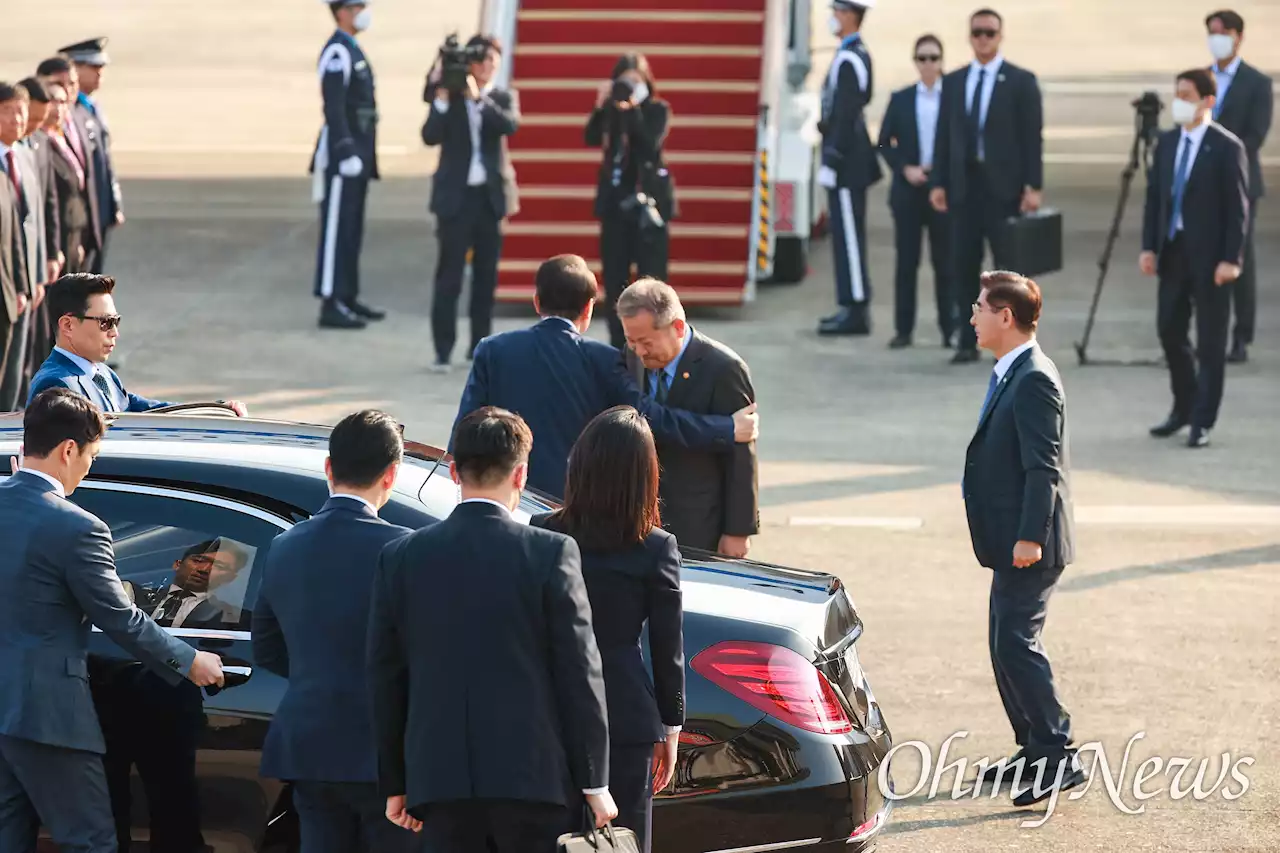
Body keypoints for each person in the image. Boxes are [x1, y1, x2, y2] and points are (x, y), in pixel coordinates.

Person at [368, 407, 616, 852]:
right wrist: (594, 780)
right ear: (520, 475)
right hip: (533, 779)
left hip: (437, 781)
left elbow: (387, 677)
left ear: (453, 470)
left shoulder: (401, 556)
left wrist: (396, 782)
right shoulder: (551, 552)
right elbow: (580, 673)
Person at [0, 387, 224, 853]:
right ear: (67, 450)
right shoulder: (77, 526)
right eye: (90, 455)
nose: (88, 467)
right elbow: (119, 616)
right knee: (91, 841)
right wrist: (189, 660)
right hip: (47, 713)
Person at [452, 253, 758, 499]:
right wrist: (726, 428)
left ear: (536, 301)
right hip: (576, 504)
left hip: (509, 497)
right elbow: (649, 419)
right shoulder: (604, 360)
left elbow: (466, 427)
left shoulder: (493, 350)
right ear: (589, 308)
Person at [253, 410, 421, 853]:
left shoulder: (285, 545)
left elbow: (266, 646)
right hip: (385, 752)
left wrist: (317, 673)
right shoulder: (404, 549)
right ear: (391, 476)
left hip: (310, 747)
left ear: (328, 468)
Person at [531, 407, 684, 853]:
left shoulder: (543, 531)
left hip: (549, 710)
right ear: (645, 476)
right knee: (619, 843)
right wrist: (671, 726)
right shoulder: (656, 547)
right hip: (626, 718)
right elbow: (666, 648)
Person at [961, 272, 1083, 807]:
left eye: (980, 307)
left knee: (1017, 643)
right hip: (1008, 539)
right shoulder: (1012, 370)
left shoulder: (1034, 378)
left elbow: (1043, 468)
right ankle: (1032, 748)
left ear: (1005, 316)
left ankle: (1059, 754)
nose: (972, 316)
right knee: (1001, 642)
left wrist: (1031, 538)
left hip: (1029, 544)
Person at [1140, 69, 1248, 449]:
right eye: (1177, 94)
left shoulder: (1226, 147)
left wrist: (1231, 258)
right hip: (1174, 251)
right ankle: (1184, 405)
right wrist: (1148, 247)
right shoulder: (1168, 143)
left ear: (1208, 101)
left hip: (1212, 258)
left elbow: (1237, 210)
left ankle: (1203, 419)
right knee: (1169, 329)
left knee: (1210, 341)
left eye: (1187, 95)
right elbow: (1155, 199)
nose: (1179, 101)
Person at [930, 8, 1044, 365]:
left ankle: (1011, 344)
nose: (983, 39)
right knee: (964, 266)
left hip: (1004, 188)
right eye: (977, 32)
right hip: (966, 188)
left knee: (1007, 274)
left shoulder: (1021, 81)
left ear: (1000, 36)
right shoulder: (955, 82)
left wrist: (1033, 185)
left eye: (989, 33)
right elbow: (943, 136)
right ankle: (968, 339)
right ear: (970, 36)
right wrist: (939, 181)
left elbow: (1031, 137)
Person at [617, 278, 758, 557]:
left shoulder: (723, 369)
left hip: (699, 520)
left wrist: (737, 531)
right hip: (642, 517)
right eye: (631, 341)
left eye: (646, 342)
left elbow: (742, 456)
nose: (639, 351)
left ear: (677, 328)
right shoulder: (631, 357)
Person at [423, 34, 519, 370]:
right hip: (456, 200)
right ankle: (442, 349)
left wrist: (479, 99)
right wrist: (444, 98)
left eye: (492, 60)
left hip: (489, 200)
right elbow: (429, 135)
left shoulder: (502, 97)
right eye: (480, 60)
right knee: (449, 276)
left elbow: (509, 125)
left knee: (485, 278)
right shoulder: (451, 98)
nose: (486, 66)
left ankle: (479, 347)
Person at [29, 273, 250, 414]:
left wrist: (216, 410)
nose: (115, 333)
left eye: (116, 321)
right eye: (105, 323)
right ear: (67, 325)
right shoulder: (56, 386)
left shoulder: (101, 373)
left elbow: (143, 410)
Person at [585, 53, 674, 350]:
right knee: (615, 279)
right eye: (624, 82)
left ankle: (656, 344)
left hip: (649, 205)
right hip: (614, 205)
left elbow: (650, 146)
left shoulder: (657, 109)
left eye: (636, 81)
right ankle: (618, 346)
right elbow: (590, 138)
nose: (629, 88)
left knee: (652, 282)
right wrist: (601, 108)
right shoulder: (610, 110)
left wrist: (633, 109)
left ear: (647, 81)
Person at [1204, 10, 1272, 364]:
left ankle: (1241, 336)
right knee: (1204, 258)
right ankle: (1207, 333)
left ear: (1238, 36)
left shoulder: (1257, 83)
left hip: (1239, 182)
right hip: (1201, 185)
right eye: (1211, 33)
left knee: (1237, 258)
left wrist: (1219, 157)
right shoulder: (1200, 79)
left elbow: (1255, 136)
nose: (1217, 39)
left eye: (1223, 33)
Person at [878, 34, 954, 350]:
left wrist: (943, 174)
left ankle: (950, 329)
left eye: (933, 58)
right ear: (915, 62)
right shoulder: (902, 98)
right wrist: (904, 168)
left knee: (946, 264)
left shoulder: (954, 98)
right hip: (908, 192)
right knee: (907, 263)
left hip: (942, 192)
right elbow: (882, 142)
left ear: (941, 61)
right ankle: (903, 329)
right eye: (922, 58)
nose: (928, 64)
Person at [312, 0, 384, 330]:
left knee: (352, 229)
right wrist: (344, 150)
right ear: (342, 12)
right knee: (336, 230)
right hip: (344, 157)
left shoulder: (352, 49)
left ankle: (347, 294)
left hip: (360, 153)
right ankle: (330, 300)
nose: (363, 12)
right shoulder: (337, 52)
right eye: (357, 7)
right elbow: (334, 108)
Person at [816, 0, 881, 336]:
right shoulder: (850, 54)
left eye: (837, 12)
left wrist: (833, 158)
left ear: (850, 15)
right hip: (845, 160)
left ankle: (856, 307)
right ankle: (849, 303)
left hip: (847, 164)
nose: (833, 18)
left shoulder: (851, 57)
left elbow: (846, 115)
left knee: (850, 239)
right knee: (844, 237)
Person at [15, 77, 62, 396]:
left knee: (21, 360)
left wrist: (39, 272)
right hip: (13, 281)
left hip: (29, 277)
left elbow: (40, 215)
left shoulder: (30, 148)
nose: (32, 126)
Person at [59, 38, 123, 275]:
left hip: (100, 209)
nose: (100, 73)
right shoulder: (69, 112)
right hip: (82, 216)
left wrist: (114, 203)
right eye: (93, 67)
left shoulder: (93, 107)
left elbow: (104, 160)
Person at [36, 56, 102, 275]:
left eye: (71, 85)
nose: (66, 92)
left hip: (77, 231)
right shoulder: (36, 139)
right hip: (53, 239)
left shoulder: (78, 119)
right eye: (57, 86)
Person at [0, 82, 33, 411]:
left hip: (9, 291)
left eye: (18, 111)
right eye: (6, 111)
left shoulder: (14, 163)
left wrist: (22, 285)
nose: (15, 119)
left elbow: (14, 238)